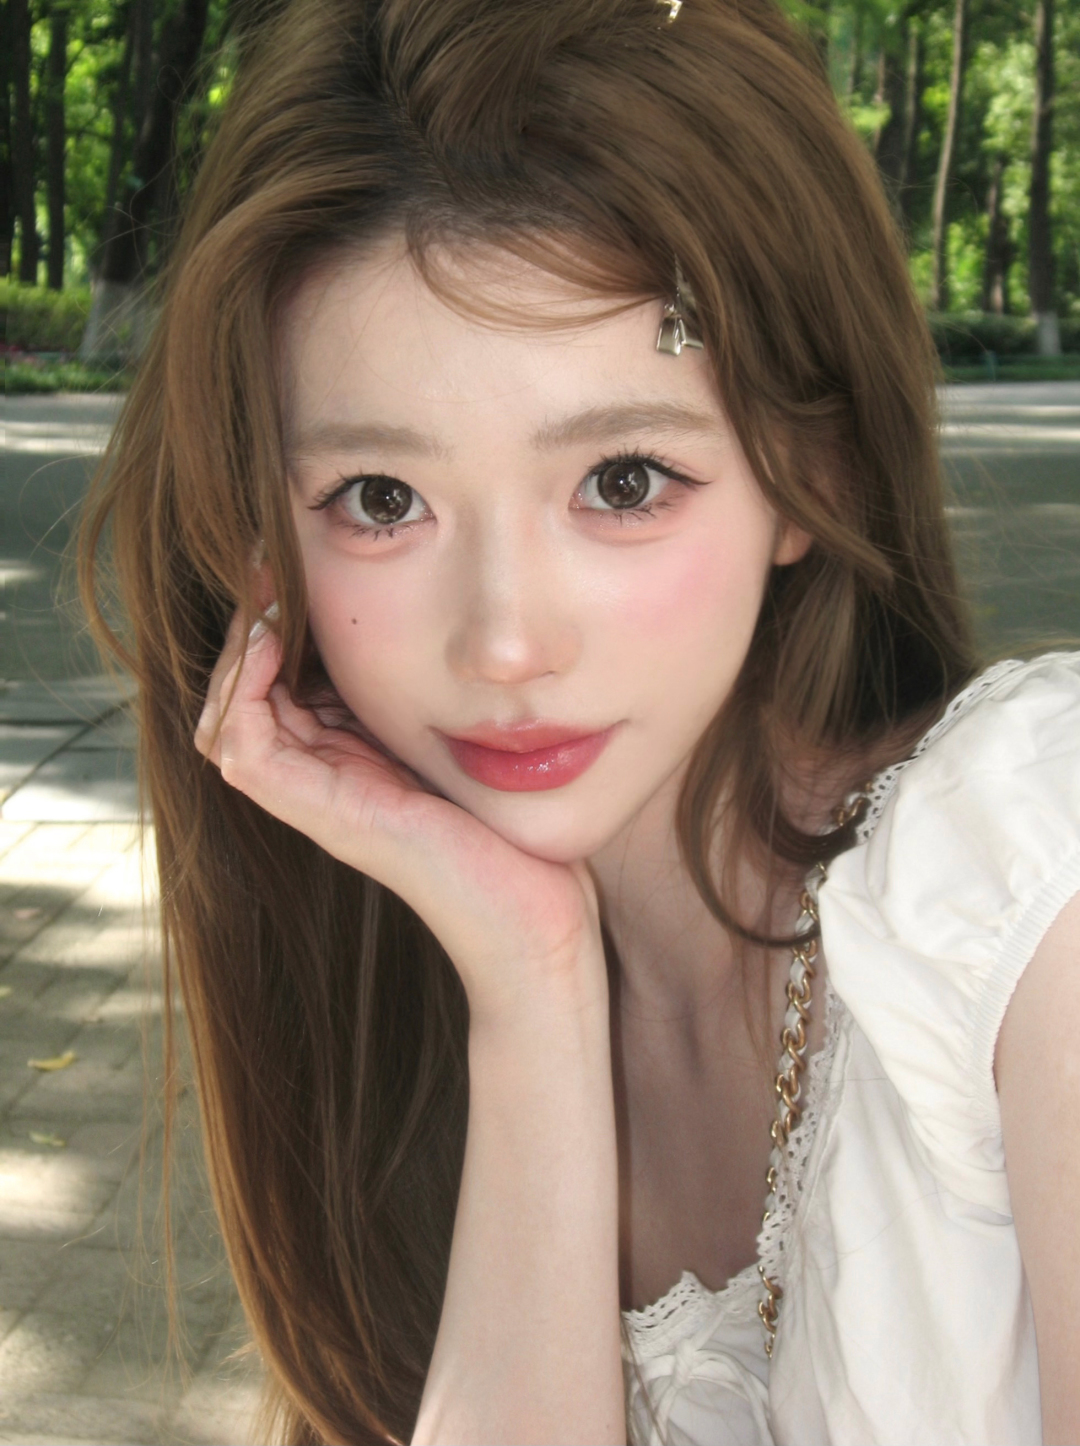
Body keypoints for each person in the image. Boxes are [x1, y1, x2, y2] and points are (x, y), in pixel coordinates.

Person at [78, 0, 1080, 1441]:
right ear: (265, 551)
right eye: (381, 500)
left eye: (622, 481)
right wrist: (528, 981)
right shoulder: (402, 1036)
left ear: (813, 470)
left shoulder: (1030, 890)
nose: (505, 643)